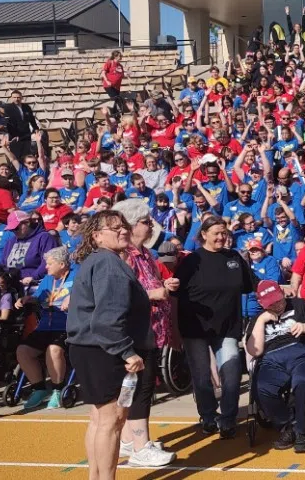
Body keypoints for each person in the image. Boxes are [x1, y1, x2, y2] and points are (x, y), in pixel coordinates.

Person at [65, 210, 152, 480]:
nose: (123, 231)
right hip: (104, 350)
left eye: (124, 226)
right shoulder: (108, 264)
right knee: (111, 421)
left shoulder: (98, 260)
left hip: (91, 348)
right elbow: (107, 319)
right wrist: (127, 351)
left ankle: (96, 476)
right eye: (115, 228)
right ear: (97, 236)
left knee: (100, 419)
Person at [175, 215, 257, 438]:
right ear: (203, 235)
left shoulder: (234, 258)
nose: (221, 237)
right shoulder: (192, 261)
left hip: (228, 327)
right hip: (196, 329)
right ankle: (208, 416)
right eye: (216, 233)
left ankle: (228, 418)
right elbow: (175, 290)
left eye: (224, 233)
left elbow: (253, 284)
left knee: (231, 374)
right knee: (201, 377)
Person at [111, 199, 178, 466]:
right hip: (137, 330)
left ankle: (129, 439)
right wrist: (155, 292)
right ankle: (141, 445)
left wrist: (164, 284)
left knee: (134, 386)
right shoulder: (124, 255)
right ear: (130, 224)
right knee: (141, 386)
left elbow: (147, 283)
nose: (150, 226)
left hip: (152, 329)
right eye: (145, 221)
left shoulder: (145, 253)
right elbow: (123, 293)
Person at [245, 280, 305, 453]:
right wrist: (261, 321)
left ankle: (303, 432)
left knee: (302, 380)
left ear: (282, 293)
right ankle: (289, 426)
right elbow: (254, 350)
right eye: (271, 304)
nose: (278, 305)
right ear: (261, 304)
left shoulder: (300, 305)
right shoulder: (259, 317)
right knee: (262, 386)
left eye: (279, 300)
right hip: (273, 357)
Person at [14, 246, 73, 410]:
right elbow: (38, 298)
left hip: (68, 326)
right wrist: (26, 299)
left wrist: (73, 296)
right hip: (45, 326)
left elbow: (87, 292)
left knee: (53, 349)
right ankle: (39, 389)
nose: (45, 267)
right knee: (23, 351)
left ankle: (57, 390)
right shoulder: (48, 280)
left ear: (62, 264)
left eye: (49, 263)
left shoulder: (76, 275)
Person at [101, 51, 126, 115]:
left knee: (117, 99)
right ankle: (114, 115)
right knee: (116, 99)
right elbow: (103, 73)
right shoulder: (110, 63)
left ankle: (117, 114)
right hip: (109, 86)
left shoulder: (120, 65)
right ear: (115, 56)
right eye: (119, 56)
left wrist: (127, 74)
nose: (121, 57)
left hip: (117, 86)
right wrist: (107, 81)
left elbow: (122, 75)